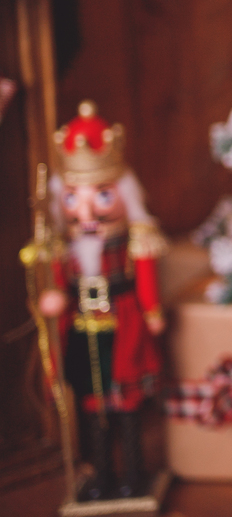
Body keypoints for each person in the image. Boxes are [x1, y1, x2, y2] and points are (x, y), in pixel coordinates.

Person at [37, 100, 167, 500]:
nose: (87, 210)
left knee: (125, 407)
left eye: (103, 195)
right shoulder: (65, 248)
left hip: (123, 325)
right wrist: (53, 299)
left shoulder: (133, 242)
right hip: (83, 330)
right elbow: (59, 285)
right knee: (92, 407)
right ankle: (102, 475)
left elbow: (145, 282)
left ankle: (133, 474)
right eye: (74, 197)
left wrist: (152, 311)